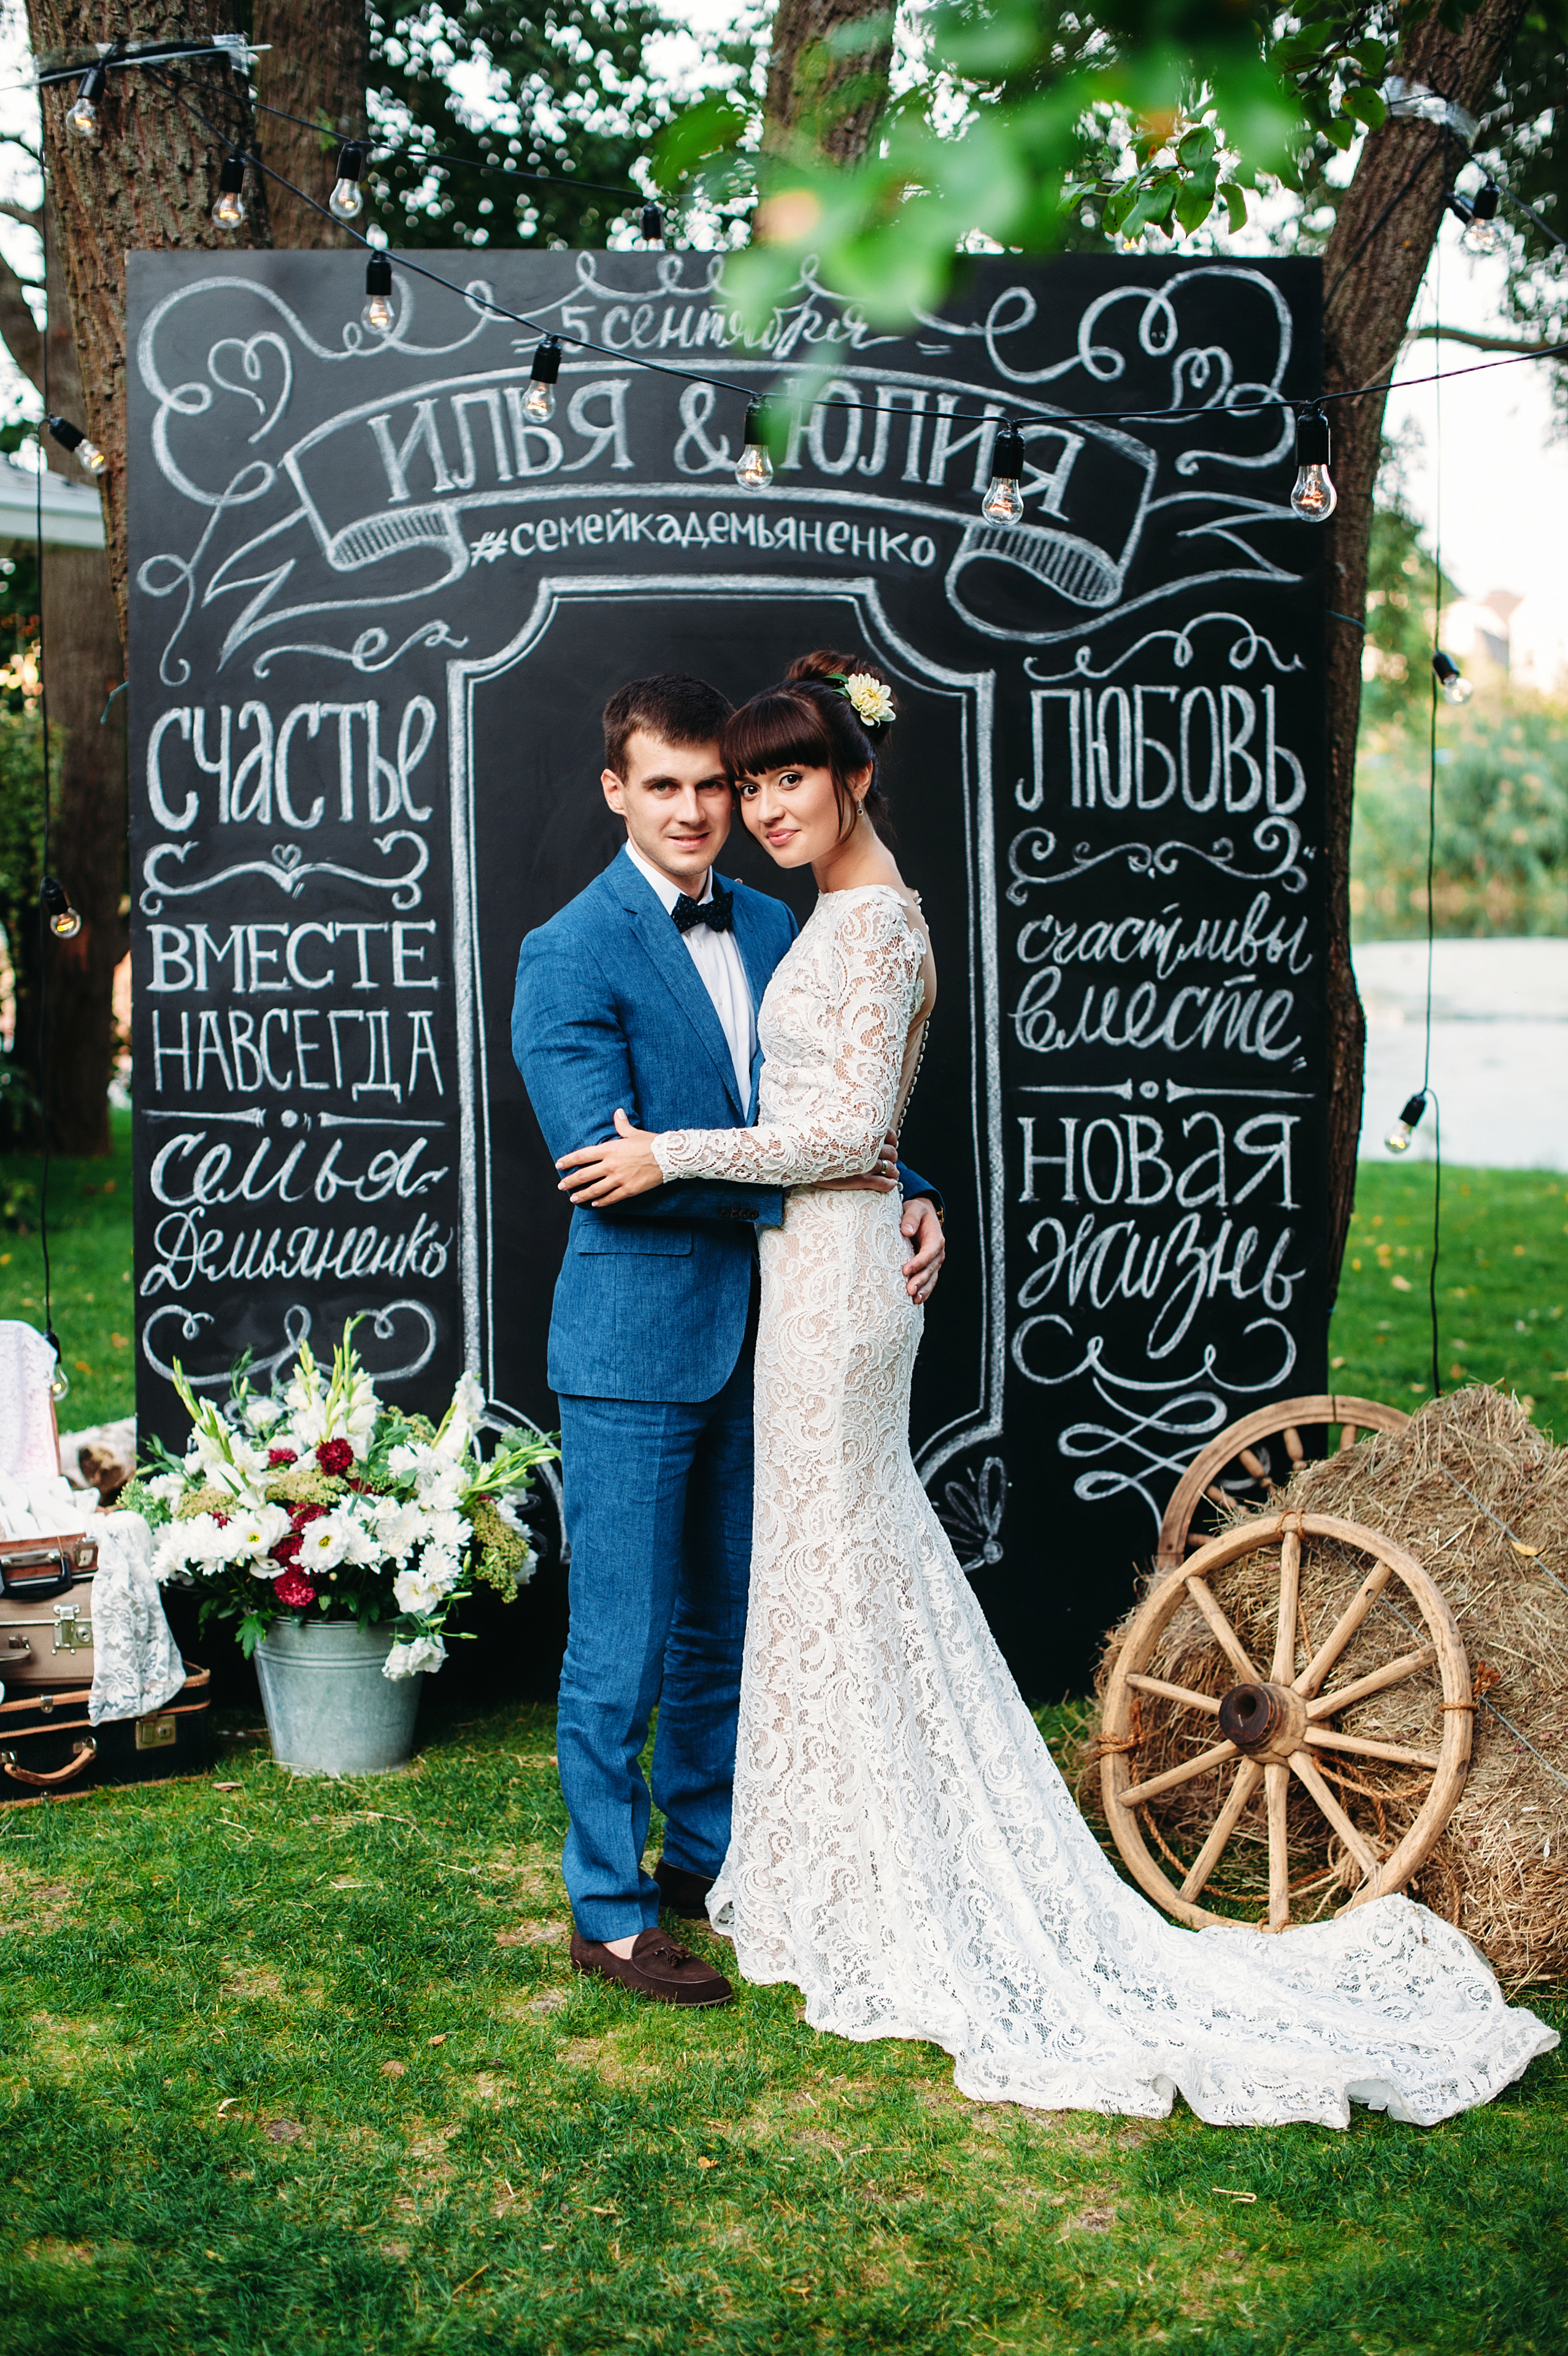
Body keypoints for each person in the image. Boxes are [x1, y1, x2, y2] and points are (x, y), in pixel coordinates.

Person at [553, 647, 1557, 2127]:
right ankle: (654, 1890)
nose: (745, 808)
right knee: (757, 1594)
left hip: (827, 1297)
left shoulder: (857, 924)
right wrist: (871, 1172)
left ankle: (831, 1863)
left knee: (823, 1568)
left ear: (854, 779)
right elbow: (712, 1135)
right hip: (730, 1303)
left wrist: (848, 1172)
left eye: (774, 779)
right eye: (720, 784)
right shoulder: (620, 943)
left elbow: (830, 1119)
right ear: (622, 794)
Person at [511, 672, 945, 2011]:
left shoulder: (778, 917)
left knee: (727, 1629)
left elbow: (832, 1100)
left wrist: (905, 1182)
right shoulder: (566, 952)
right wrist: (836, 1179)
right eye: (669, 787)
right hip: (637, 1340)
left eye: (721, 784)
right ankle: (611, 1911)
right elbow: (606, 1166)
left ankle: (707, 1857)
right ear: (615, 794)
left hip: (787, 1327)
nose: (703, 811)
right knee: (623, 1642)